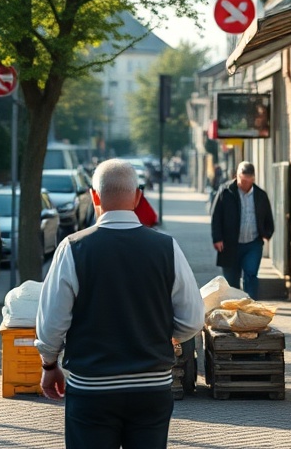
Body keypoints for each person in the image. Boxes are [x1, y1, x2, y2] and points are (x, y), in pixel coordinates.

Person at [35, 158, 203, 449]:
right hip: (152, 386)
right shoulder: (167, 248)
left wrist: (50, 365)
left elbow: (52, 323)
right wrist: (161, 337)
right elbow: (192, 319)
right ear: (138, 197)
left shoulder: (73, 248)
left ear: (94, 196)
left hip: (92, 388)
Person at [210, 161, 275, 300]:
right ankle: (234, 308)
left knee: (251, 274)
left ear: (253, 178)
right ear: (236, 175)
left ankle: (249, 306)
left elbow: (268, 217)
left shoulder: (260, 195)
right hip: (230, 244)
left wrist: (267, 233)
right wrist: (217, 238)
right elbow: (216, 216)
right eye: (241, 179)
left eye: (247, 180)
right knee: (231, 282)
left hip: (253, 243)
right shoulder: (225, 191)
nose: (243, 183)